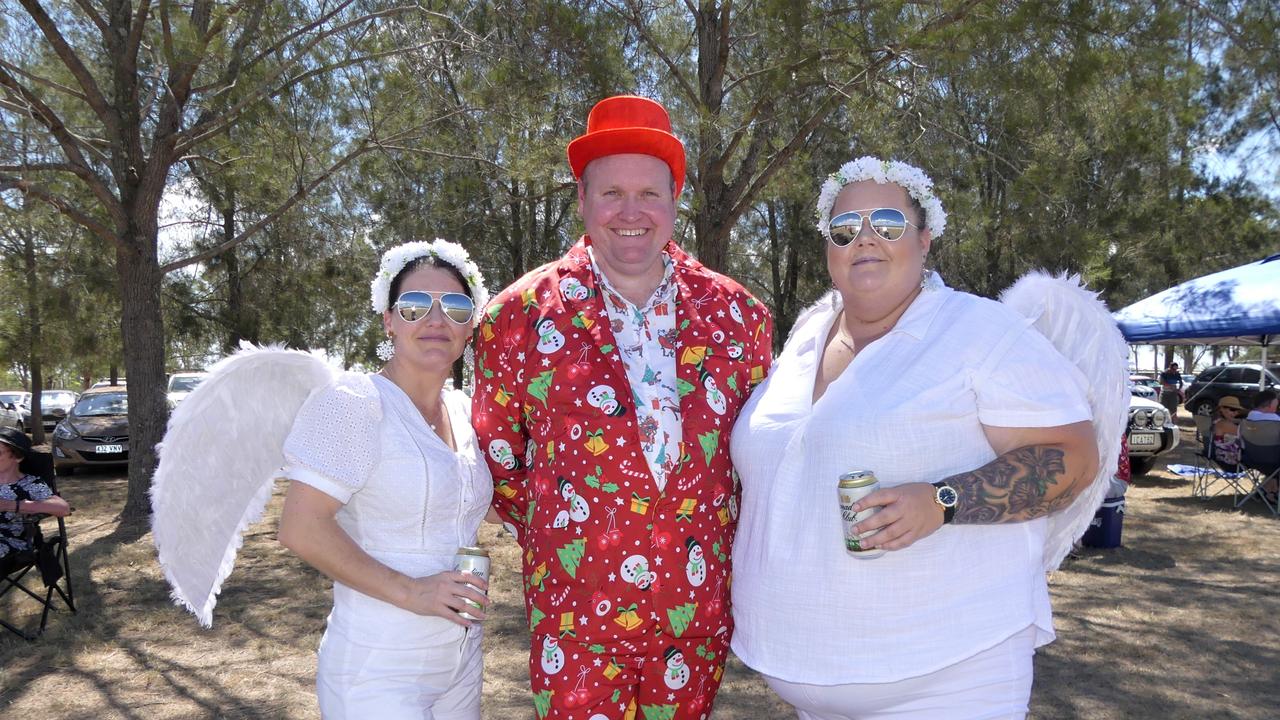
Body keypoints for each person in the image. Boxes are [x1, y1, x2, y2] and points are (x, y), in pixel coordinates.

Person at [730, 157, 1114, 719]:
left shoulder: (980, 331)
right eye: (845, 228)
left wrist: (942, 502)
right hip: (809, 679)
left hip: (947, 680)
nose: (865, 238)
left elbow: (1074, 458)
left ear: (925, 237)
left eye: (887, 223)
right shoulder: (806, 336)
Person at [473, 95, 773, 719]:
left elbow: (753, 458)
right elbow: (501, 458)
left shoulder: (739, 318)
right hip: (576, 618)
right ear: (582, 200)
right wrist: (578, 531)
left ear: (673, 202)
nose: (631, 212)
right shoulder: (518, 317)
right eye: (611, 193)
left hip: (694, 616)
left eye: (650, 194)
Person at [274, 241, 495, 718]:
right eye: (414, 306)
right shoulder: (355, 402)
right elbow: (302, 526)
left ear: (471, 324)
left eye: (455, 306)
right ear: (388, 321)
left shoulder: (464, 411)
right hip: (379, 666)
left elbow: (466, 501)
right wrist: (412, 591)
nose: (436, 320)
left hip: (461, 658)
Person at [0, 427, 71, 576]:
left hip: (11, 543)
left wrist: (11, 505)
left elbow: (63, 508)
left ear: (17, 457)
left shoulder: (29, 484)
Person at [1209, 395, 1245, 467]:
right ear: (1222, 409)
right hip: (1230, 459)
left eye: (1237, 410)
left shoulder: (1218, 421)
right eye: (1232, 409)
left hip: (1223, 457)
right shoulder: (1224, 424)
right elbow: (1246, 433)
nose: (1236, 413)